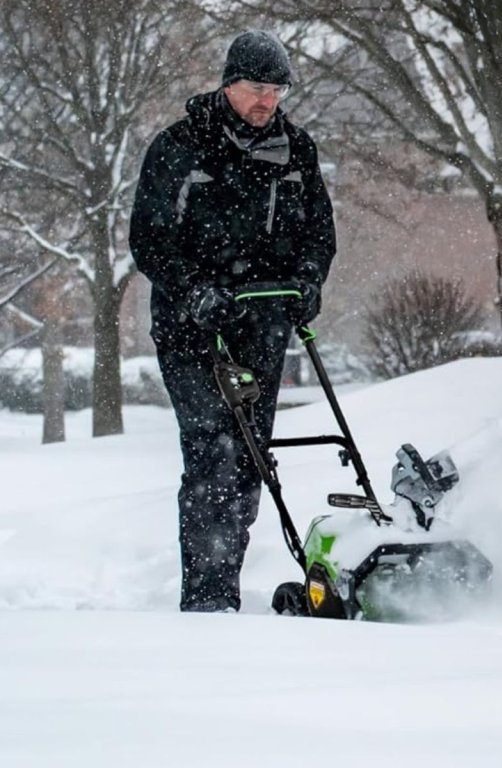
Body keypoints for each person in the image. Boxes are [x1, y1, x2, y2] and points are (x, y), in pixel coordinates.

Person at [129, 31, 336, 612]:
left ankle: (224, 587)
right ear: (228, 85)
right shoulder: (179, 147)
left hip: (264, 323)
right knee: (212, 451)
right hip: (192, 328)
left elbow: (320, 233)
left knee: (249, 458)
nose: (266, 100)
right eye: (255, 88)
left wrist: (309, 281)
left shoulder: (297, 151)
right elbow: (148, 238)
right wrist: (194, 290)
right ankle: (209, 601)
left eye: (276, 90)